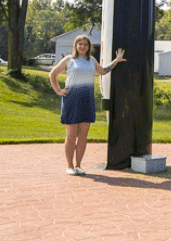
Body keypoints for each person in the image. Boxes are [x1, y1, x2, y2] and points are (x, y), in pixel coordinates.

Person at [49, 35, 125, 175]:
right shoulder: (69, 60)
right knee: (71, 135)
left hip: (87, 100)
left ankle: (78, 166)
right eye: (80, 44)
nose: (83, 46)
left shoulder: (91, 61)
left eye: (85, 44)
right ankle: (70, 166)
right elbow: (53, 75)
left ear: (89, 47)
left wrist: (116, 61)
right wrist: (58, 91)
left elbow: (102, 71)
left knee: (83, 135)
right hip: (71, 100)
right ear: (75, 46)